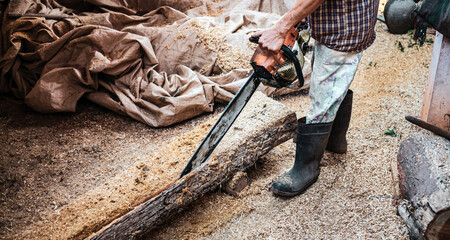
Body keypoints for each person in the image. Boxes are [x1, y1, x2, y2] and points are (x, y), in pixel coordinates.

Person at [252, 0, 380, 196]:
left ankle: (306, 168)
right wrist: (299, 17)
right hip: (338, 20)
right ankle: (334, 140)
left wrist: (279, 29)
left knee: (324, 92)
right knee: (336, 83)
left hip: (344, 24)